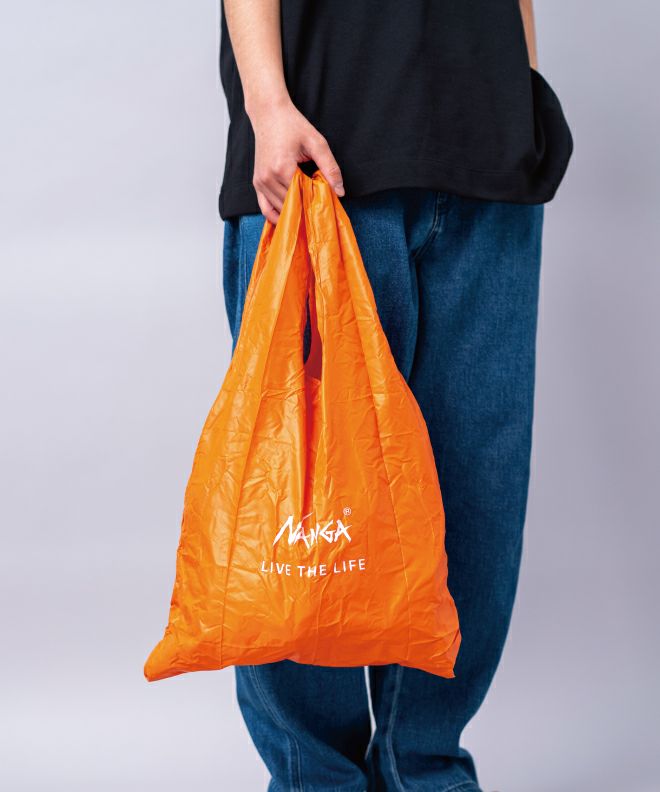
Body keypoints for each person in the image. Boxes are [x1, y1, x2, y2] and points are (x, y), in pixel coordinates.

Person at [219, 1, 572, 790]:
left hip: (488, 161)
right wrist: (267, 106)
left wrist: (523, 86)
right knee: (303, 520)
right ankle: (316, 780)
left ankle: (426, 773)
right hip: (319, 158)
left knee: (473, 513)